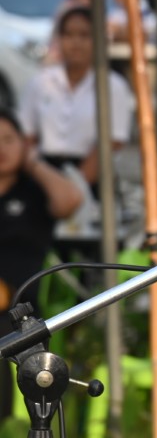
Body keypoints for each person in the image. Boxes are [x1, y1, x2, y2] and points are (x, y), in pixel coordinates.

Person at [0, 108, 84, 422]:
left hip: (19, 309)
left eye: (8, 139)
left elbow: (71, 200)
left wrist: (32, 162)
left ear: (24, 144)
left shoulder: (33, 191)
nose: (1, 148)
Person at [19, 6, 134, 194]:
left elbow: (112, 142)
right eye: (68, 35)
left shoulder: (113, 86)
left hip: (93, 176)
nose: (76, 42)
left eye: (84, 35)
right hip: (44, 174)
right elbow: (27, 136)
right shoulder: (41, 82)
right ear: (59, 39)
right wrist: (44, 176)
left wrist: (74, 189)